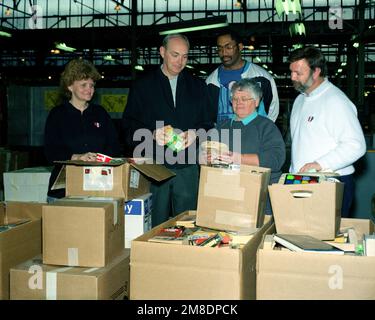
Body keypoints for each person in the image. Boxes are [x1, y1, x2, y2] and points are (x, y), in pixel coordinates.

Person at [122, 34, 214, 227]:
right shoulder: (142, 87)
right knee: (154, 225)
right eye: (175, 55)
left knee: (188, 223)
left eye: (185, 56)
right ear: (162, 52)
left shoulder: (198, 86)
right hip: (154, 169)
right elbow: (128, 127)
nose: (180, 61)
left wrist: (196, 134)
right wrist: (152, 134)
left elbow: (208, 123)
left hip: (188, 168)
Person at [288, 46, 366, 217]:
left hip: (331, 182)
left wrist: (319, 164)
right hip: (301, 181)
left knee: (324, 241)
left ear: (316, 72)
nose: (292, 77)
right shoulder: (299, 100)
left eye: (298, 73)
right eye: (291, 72)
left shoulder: (336, 101)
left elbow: (356, 145)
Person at [203, 78, 285, 214]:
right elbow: (206, 161)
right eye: (235, 99)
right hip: (226, 195)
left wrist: (239, 159)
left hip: (260, 197)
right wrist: (206, 158)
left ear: (257, 101)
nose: (238, 102)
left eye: (244, 98)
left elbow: (276, 159)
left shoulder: (266, 126)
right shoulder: (221, 127)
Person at [44, 58, 121, 201]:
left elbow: (114, 146)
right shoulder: (57, 115)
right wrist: (76, 157)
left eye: (92, 85)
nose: (89, 89)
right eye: (84, 85)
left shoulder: (100, 113)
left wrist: (101, 158)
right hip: (63, 191)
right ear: (69, 86)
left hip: (98, 187)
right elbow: (51, 151)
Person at [206, 30, 279, 125]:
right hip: (222, 137)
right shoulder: (210, 82)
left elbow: (272, 110)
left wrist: (262, 133)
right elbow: (207, 116)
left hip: (254, 137)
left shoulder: (262, 78)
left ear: (240, 47)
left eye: (228, 47)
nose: (224, 53)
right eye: (220, 49)